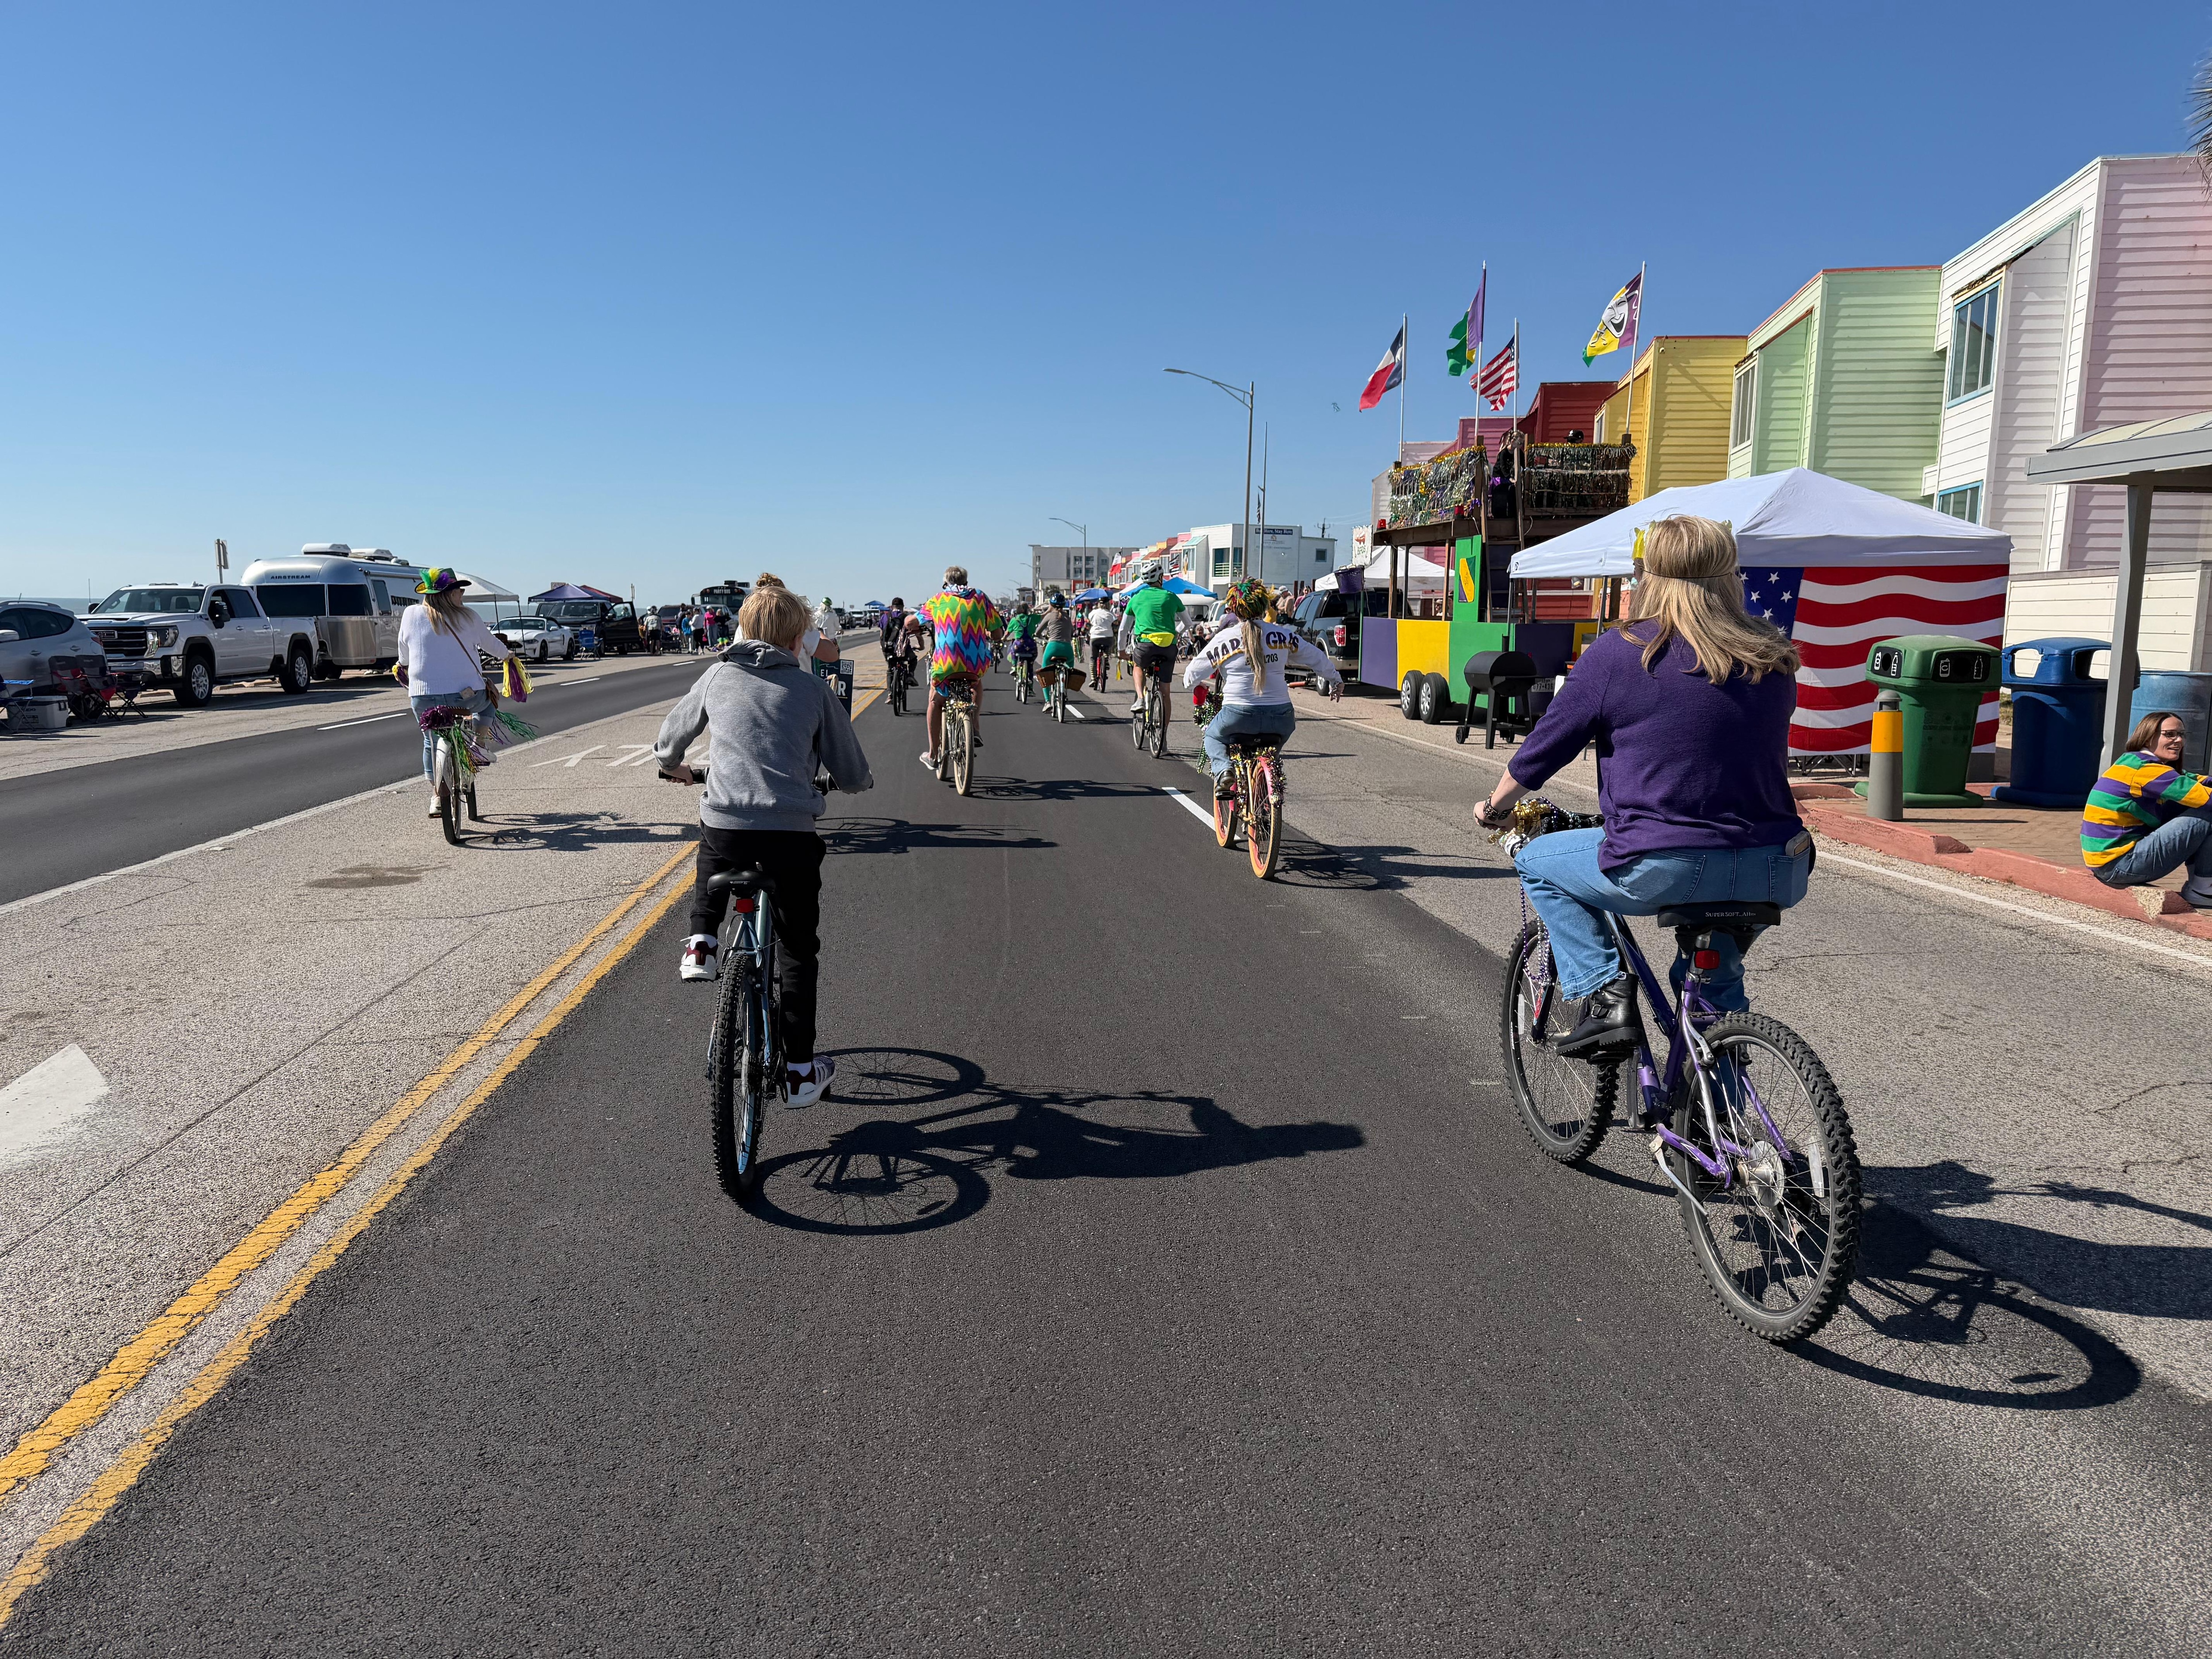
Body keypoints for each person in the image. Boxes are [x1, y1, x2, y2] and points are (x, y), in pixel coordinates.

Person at [1473, 515, 1811, 1057]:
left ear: (1648, 578)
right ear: (1730, 578)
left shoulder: (1620, 653)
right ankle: (1718, 1122)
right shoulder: (1772, 656)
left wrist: (1495, 807)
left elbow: (1546, 746)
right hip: (1777, 862)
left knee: (1536, 861)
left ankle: (1605, 997)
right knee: (1711, 986)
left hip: (1665, 861)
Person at [656, 583, 873, 1109]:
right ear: (799, 637)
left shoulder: (717, 675)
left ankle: (701, 943)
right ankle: (799, 1073)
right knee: (798, 951)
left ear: (742, 630)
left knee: (713, 833)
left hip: (729, 828)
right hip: (789, 834)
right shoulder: (812, 690)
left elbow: (669, 743)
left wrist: (675, 768)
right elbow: (852, 773)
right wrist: (850, 783)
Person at [1183, 578, 1342, 780]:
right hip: (1281, 718)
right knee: (1272, 748)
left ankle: (1224, 772)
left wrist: (1197, 686)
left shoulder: (1224, 639)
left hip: (1237, 716)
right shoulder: (1283, 635)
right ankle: (1266, 784)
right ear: (1264, 605)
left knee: (1213, 736)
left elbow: (1190, 676)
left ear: (1234, 609)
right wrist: (1335, 680)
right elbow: (1316, 657)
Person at [396, 568, 514, 817]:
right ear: (448, 594)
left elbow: (404, 655)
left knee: (431, 741)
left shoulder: (410, 614)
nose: (462, 593)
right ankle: (478, 744)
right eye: (458, 590)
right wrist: (509, 656)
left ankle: (437, 798)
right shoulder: (468, 617)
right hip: (466, 697)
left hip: (422, 697)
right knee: (490, 699)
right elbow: (491, 645)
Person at [2081, 711, 2212, 906]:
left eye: (2182, 734)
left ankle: (2202, 885)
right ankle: (2202, 888)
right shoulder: (2147, 771)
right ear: (2149, 736)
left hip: (2107, 865)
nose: (2179, 741)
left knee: (2185, 808)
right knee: (2206, 813)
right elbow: (2205, 798)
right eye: (2170, 734)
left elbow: (2192, 780)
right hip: (2120, 865)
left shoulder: (2136, 763)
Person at [921, 565, 998, 768]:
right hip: (975, 664)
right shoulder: (980, 597)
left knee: (936, 701)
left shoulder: (938, 600)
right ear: (966, 581)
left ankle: (933, 754)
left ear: (946, 582)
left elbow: (915, 621)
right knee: (976, 684)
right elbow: (998, 633)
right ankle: (975, 727)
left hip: (945, 663)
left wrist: (909, 624)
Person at [1122, 565, 1184, 727]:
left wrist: (1121, 650)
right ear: (1160, 578)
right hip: (1169, 647)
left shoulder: (1136, 598)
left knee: (1138, 666)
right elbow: (1188, 622)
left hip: (1146, 646)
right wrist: (1176, 632)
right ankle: (1163, 738)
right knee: (1166, 693)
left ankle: (1141, 700)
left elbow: (1124, 628)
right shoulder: (1171, 596)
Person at [1035, 589, 1078, 690]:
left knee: (1045, 672)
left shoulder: (1050, 616)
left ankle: (1048, 702)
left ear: (1051, 605)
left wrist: (1041, 637)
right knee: (1070, 667)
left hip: (1053, 647)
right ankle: (1065, 686)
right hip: (1067, 648)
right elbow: (1071, 634)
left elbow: (1038, 632)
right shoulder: (1067, 617)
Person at [1004, 600, 1041, 688]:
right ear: (1027, 610)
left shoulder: (1015, 620)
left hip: (1019, 646)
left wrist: (1003, 639)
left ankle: (1014, 667)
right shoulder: (1033, 618)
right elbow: (1043, 616)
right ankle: (1031, 688)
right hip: (1031, 646)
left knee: (1013, 650)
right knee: (1030, 665)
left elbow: (1007, 633)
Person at [1086, 593, 1117, 684]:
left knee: (1093, 658)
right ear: (1108, 605)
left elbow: (1087, 625)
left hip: (1095, 637)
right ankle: (1106, 659)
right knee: (1109, 643)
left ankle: (1093, 679)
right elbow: (1116, 627)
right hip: (1108, 637)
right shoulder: (1111, 615)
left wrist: (1085, 632)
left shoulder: (1093, 613)